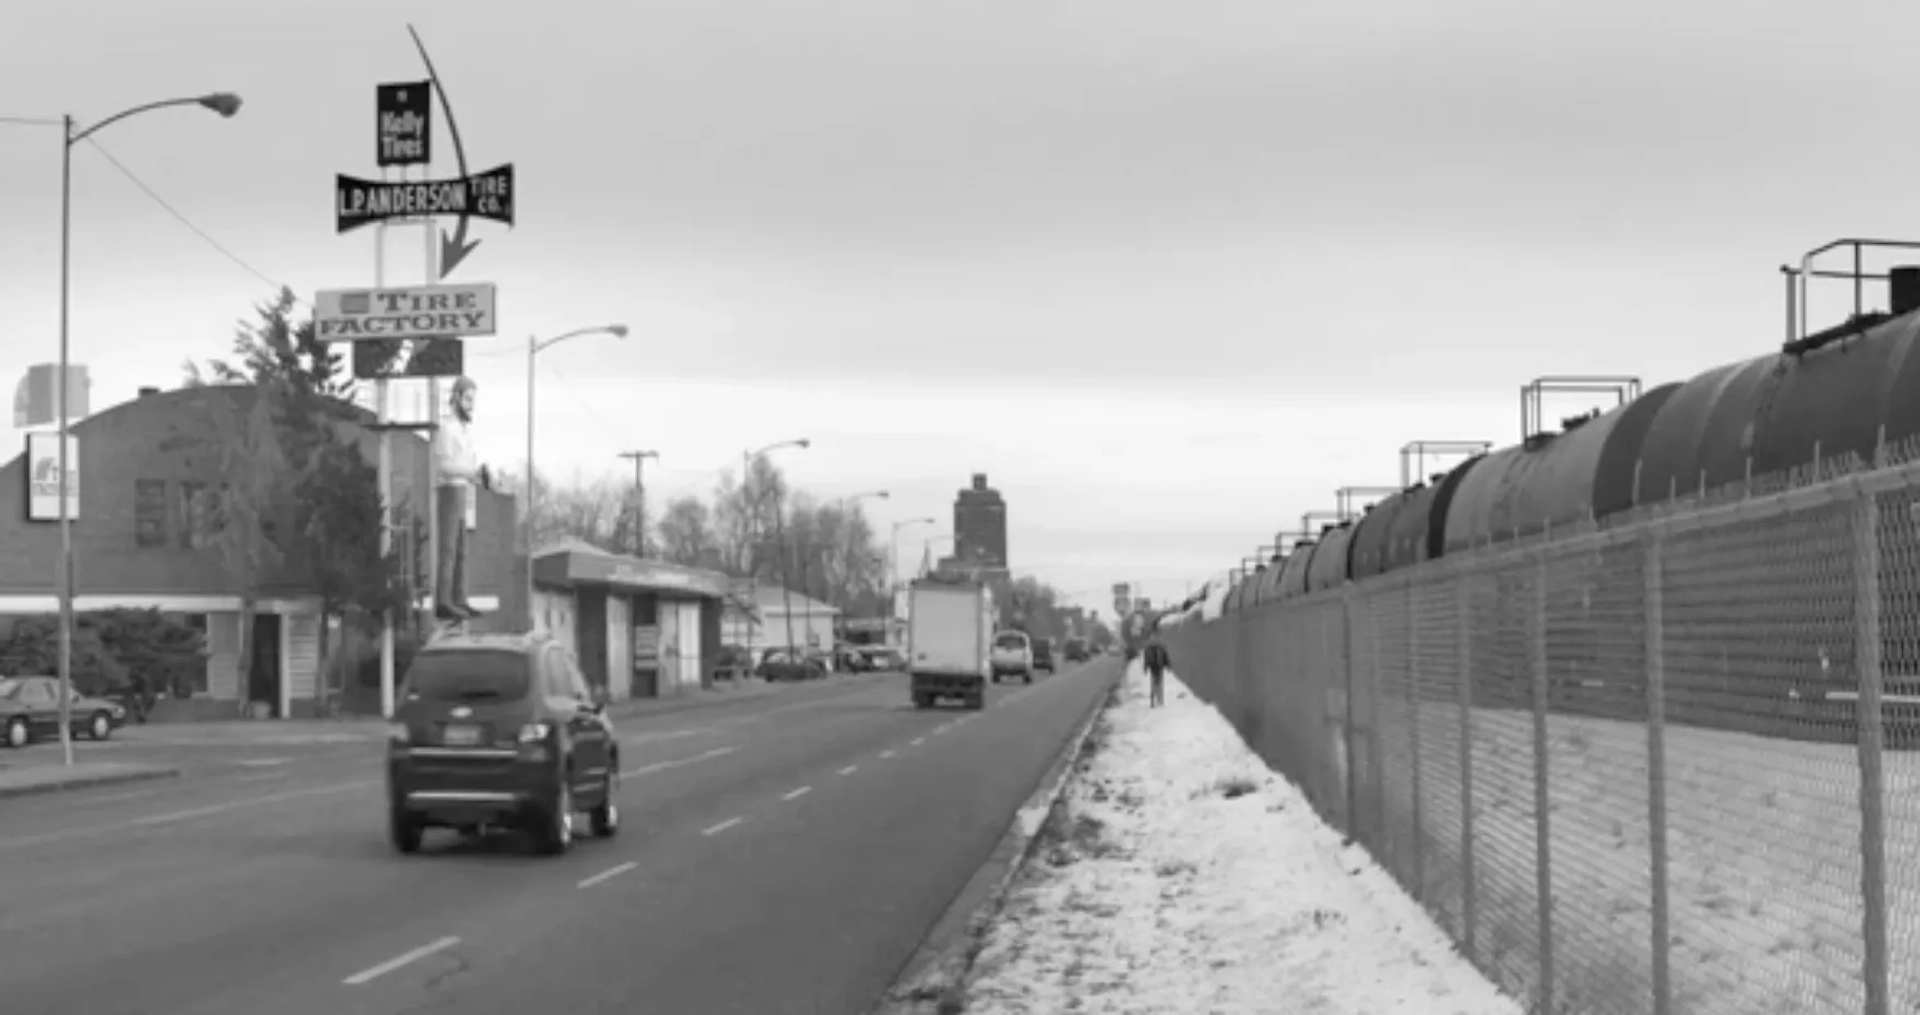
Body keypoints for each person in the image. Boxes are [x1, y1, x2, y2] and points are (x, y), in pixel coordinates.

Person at [433, 375, 492, 621]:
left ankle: (459, 597)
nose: (471, 405)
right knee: (448, 548)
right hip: (449, 489)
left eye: (472, 400)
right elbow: (444, 465)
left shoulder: (466, 432)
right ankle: (444, 600)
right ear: (456, 398)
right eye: (467, 399)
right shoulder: (447, 429)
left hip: (465, 490)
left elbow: (468, 465)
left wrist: (480, 477)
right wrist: (472, 473)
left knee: (462, 550)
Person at [1142, 628, 1171, 708]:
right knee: (1160, 683)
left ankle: (1153, 701)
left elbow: (1146, 658)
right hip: (1160, 666)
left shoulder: (1148, 645)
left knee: (1153, 684)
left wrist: (1145, 667)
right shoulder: (1161, 644)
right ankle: (1160, 700)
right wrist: (1168, 665)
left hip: (1152, 666)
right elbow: (1165, 656)